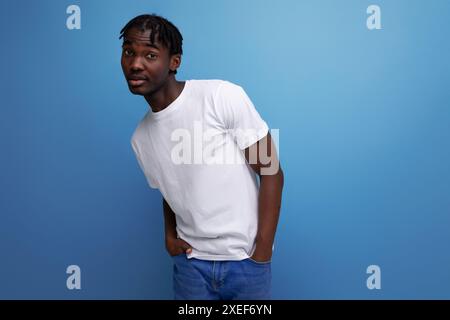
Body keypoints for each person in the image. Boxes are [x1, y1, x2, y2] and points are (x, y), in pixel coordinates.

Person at [121, 14, 284, 300]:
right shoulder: (141, 138)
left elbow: (271, 171)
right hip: (191, 267)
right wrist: (169, 237)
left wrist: (262, 251)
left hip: (245, 263)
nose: (136, 64)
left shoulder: (220, 97)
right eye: (129, 52)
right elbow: (170, 189)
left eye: (150, 54)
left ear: (174, 62)